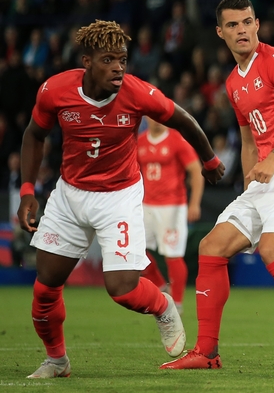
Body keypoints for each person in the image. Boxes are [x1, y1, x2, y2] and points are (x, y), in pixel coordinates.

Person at [17, 20, 225, 379]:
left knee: (123, 289)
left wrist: (209, 160)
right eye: (108, 60)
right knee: (44, 289)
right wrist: (27, 190)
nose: (118, 67)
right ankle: (57, 361)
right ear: (87, 61)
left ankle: (163, 305)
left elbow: (185, 120)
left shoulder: (138, 93)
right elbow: (35, 135)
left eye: (123, 60)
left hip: (119, 196)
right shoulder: (55, 90)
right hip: (70, 195)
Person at [160, 0, 274, 372]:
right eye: (234, 25)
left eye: (248, 22)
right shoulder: (232, 82)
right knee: (212, 246)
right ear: (220, 32)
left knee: (272, 249)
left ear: (257, 25)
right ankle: (206, 352)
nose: (242, 30)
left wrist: (273, 159)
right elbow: (248, 140)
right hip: (265, 176)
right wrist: (248, 188)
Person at [137, 116, 205, 315]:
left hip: (172, 206)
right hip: (146, 205)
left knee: (173, 255)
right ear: (146, 119)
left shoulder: (176, 140)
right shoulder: (139, 141)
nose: (156, 121)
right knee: (136, 251)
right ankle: (160, 286)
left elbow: (195, 170)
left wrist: (194, 204)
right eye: (152, 116)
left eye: (160, 116)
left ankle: (178, 302)